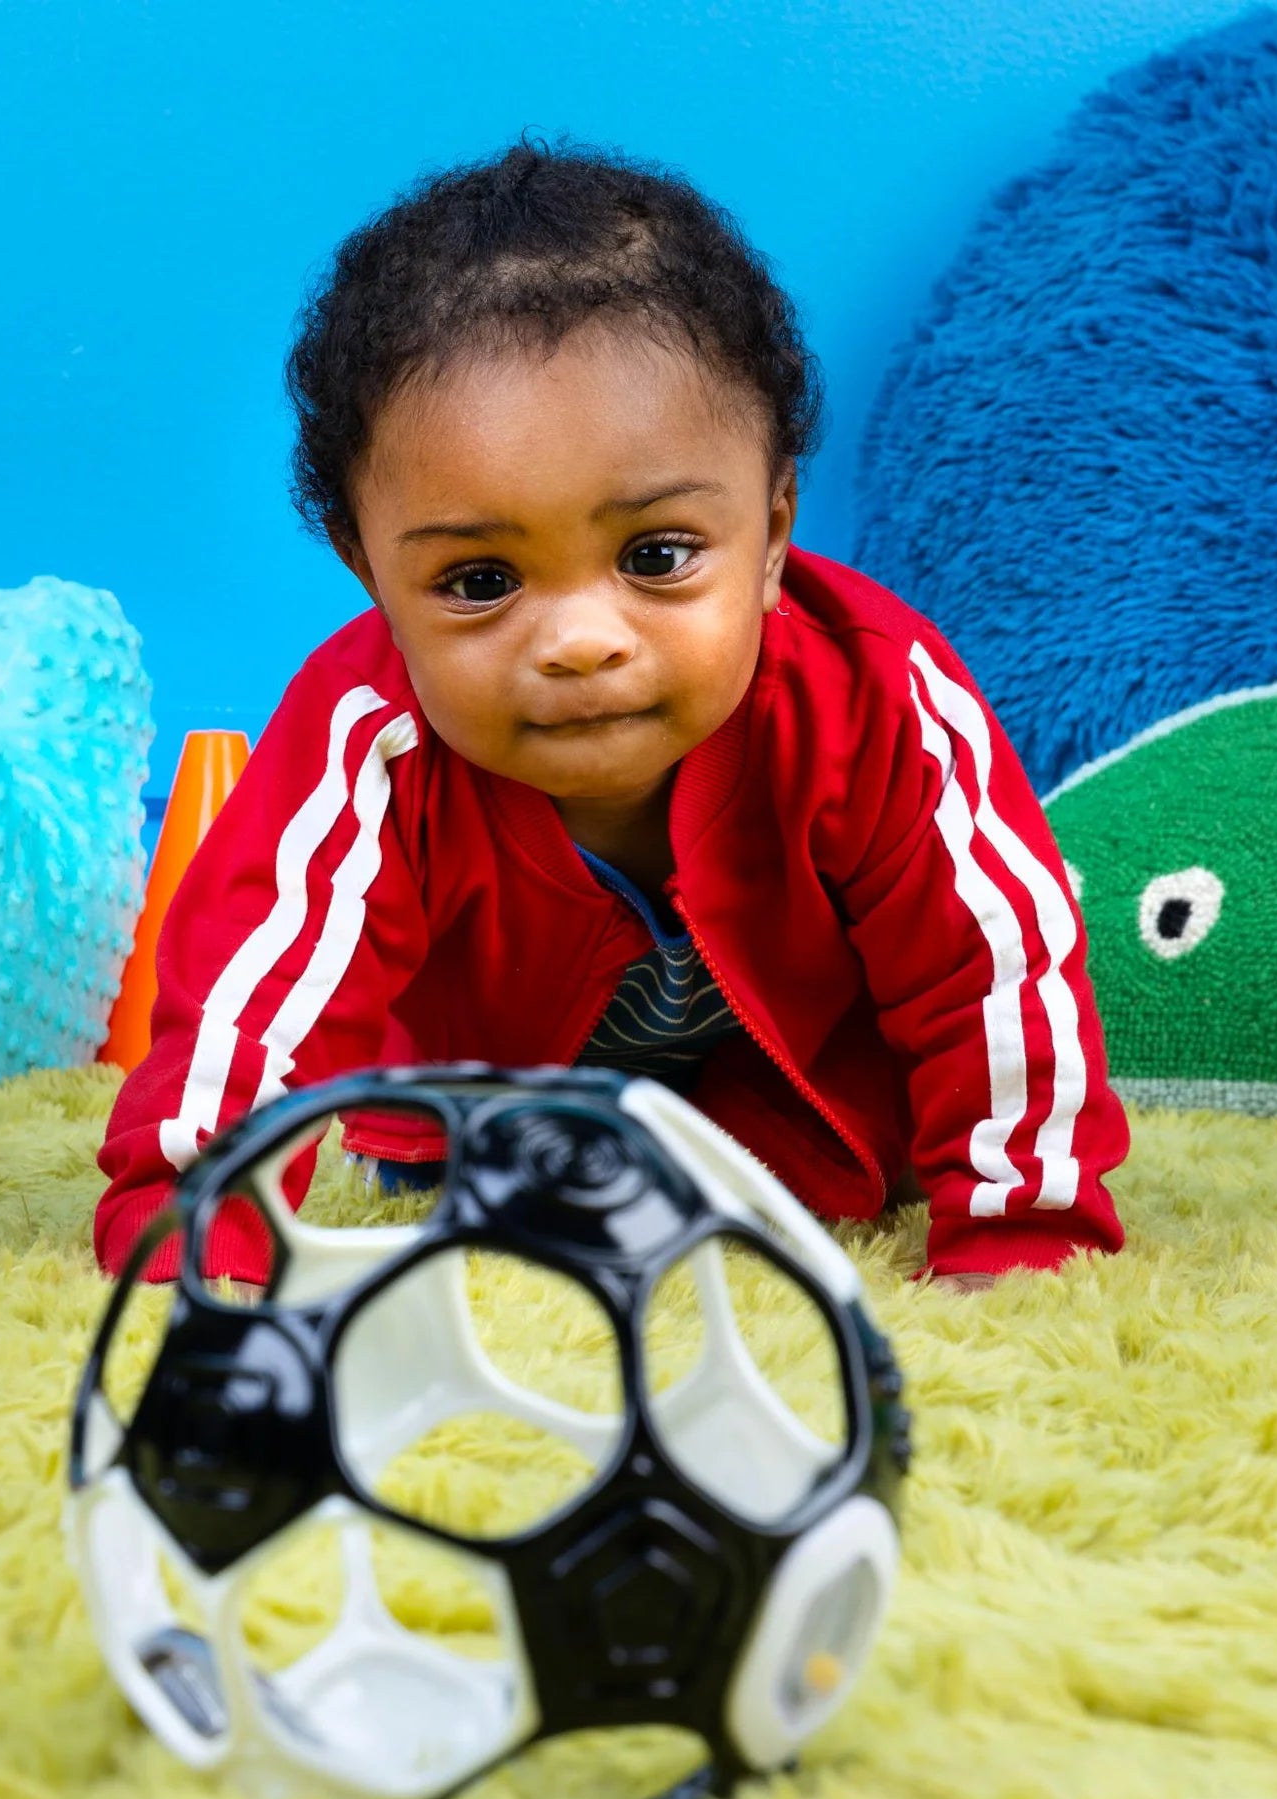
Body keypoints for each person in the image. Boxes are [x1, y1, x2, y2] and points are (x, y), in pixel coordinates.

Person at [95, 137, 1129, 1295]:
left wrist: (1022, 1237)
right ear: (368, 568)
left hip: (805, 1110)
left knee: (804, 1166)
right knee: (504, 1205)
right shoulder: (368, 737)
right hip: (487, 1117)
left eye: (656, 555)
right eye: (480, 580)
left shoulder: (876, 698)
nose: (582, 638)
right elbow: (258, 994)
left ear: (775, 526)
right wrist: (199, 1239)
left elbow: (988, 968)